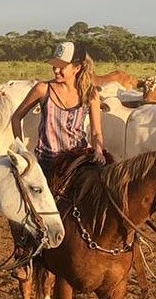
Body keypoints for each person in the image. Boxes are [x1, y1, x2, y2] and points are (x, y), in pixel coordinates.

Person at [10, 40, 105, 188]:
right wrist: (21, 151)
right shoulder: (43, 89)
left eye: (62, 67)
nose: (56, 70)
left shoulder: (90, 94)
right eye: (54, 66)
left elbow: (96, 131)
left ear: (77, 68)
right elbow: (16, 117)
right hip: (48, 161)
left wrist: (98, 150)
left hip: (77, 159)